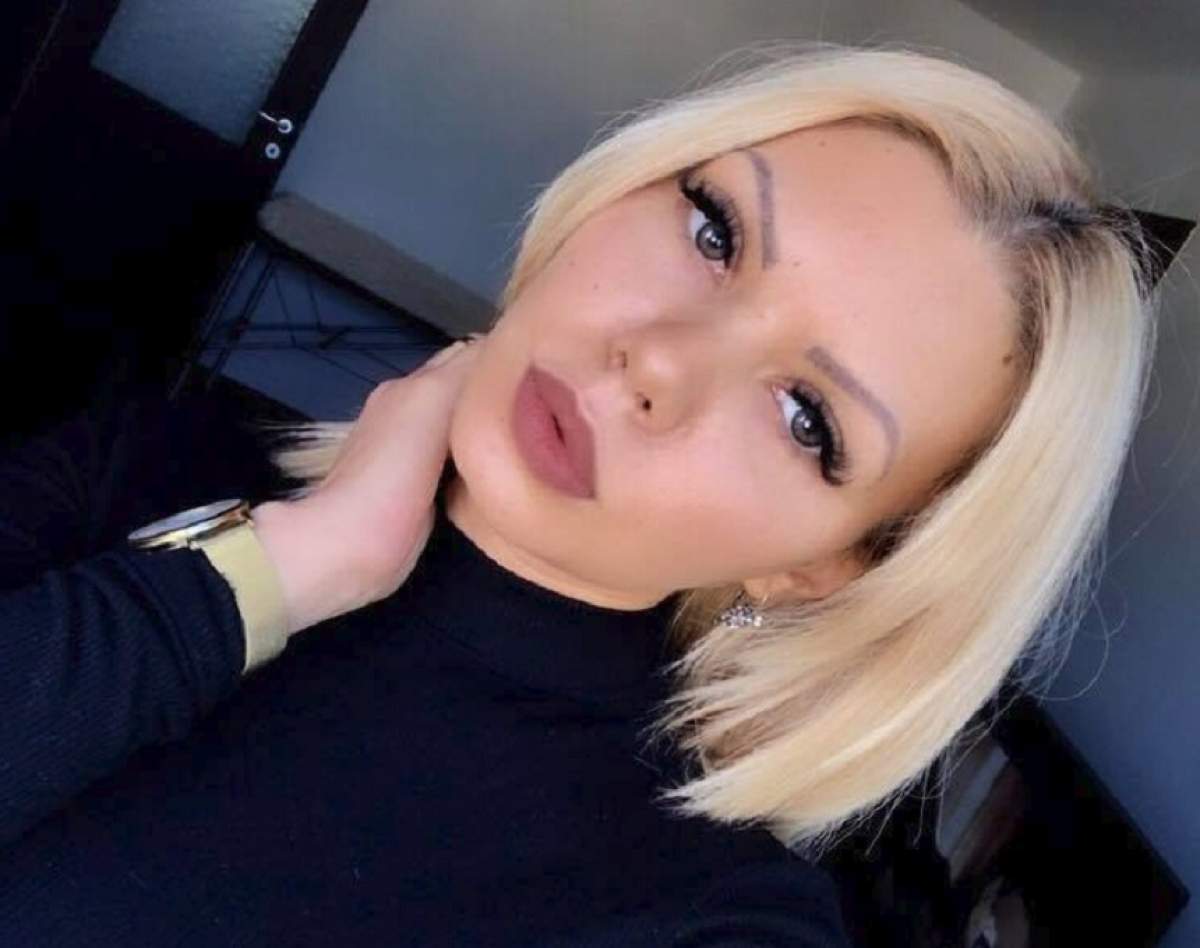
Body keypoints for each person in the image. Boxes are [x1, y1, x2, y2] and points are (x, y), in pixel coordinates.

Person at [0, 41, 1156, 946]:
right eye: (715, 229)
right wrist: (284, 571)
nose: (657, 360)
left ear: (827, 565)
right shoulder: (168, 460)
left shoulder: (706, 914)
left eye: (809, 417)